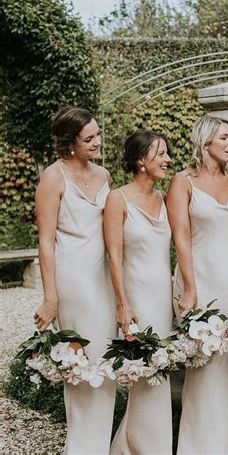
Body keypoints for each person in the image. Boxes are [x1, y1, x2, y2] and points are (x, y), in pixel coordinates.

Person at [34, 106, 116, 454]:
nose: (97, 142)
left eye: (98, 134)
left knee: (106, 362)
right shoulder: (53, 178)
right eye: (89, 138)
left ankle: (99, 444)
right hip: (72, 278)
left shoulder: (105, 175)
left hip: (102, 277)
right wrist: (50, 296)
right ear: (70, 143)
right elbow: (46, 240)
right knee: (81, 362)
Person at [166, 115, 228, 454]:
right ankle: (199, 444)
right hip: (197, 277)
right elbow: (180, 237)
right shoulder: (182, 181)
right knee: (202, 362)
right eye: (225, 137)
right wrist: (189, 286)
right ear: (206, 141)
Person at [104, 129, 174, 454]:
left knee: (159, 374)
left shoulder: (164, 198)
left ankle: (128, 447)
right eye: (160, 153)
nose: (167, 160)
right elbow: (113, 256)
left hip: (164, 297)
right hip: (136, 298)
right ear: (140, 160)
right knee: (143, 373)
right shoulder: (117, 198)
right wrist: (122, 304)